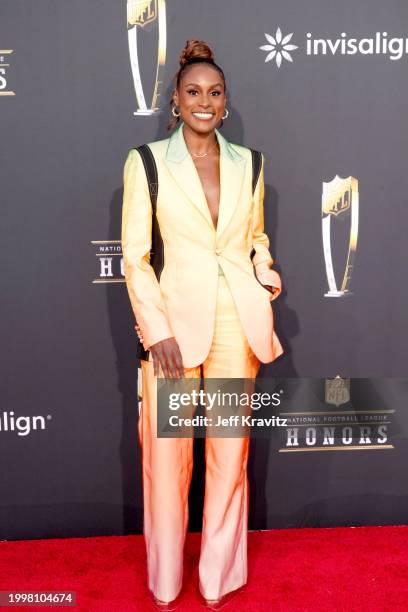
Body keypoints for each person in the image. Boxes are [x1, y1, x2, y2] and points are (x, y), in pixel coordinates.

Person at [121, 39, 284, 610]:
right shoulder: (146, 161)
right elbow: (135, 258)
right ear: (175, 100)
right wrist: (156, 331)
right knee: (167, 464)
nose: (204, 102)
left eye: (214, 93)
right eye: (193, 92)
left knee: (229, 453)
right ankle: (165, 582)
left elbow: (255, 238)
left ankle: (219, 578)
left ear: (225, 100)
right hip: (172, 333)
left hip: (236, 326)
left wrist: (263, 272)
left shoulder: (250, 162)